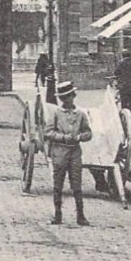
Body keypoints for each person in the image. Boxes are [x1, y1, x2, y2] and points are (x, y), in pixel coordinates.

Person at [44, 80, 92, 226]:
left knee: (77, 185)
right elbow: (48, 132)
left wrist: (79, 137)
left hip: (75, 152)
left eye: (69, 96)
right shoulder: (56, 114)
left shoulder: (81, 114)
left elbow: (88, 133)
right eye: (64, 98)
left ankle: (81, 215)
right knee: (58, 184)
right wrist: (63, 137)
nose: (67, 100)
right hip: (59, 152)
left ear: (73, 96)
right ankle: (57, 214)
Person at [114, 49, 131, 113]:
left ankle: (124, 114)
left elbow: (116, 72)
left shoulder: (121, 63)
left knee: (124, 100)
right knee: (130, 99)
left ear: (122, 56)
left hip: (123, 84)